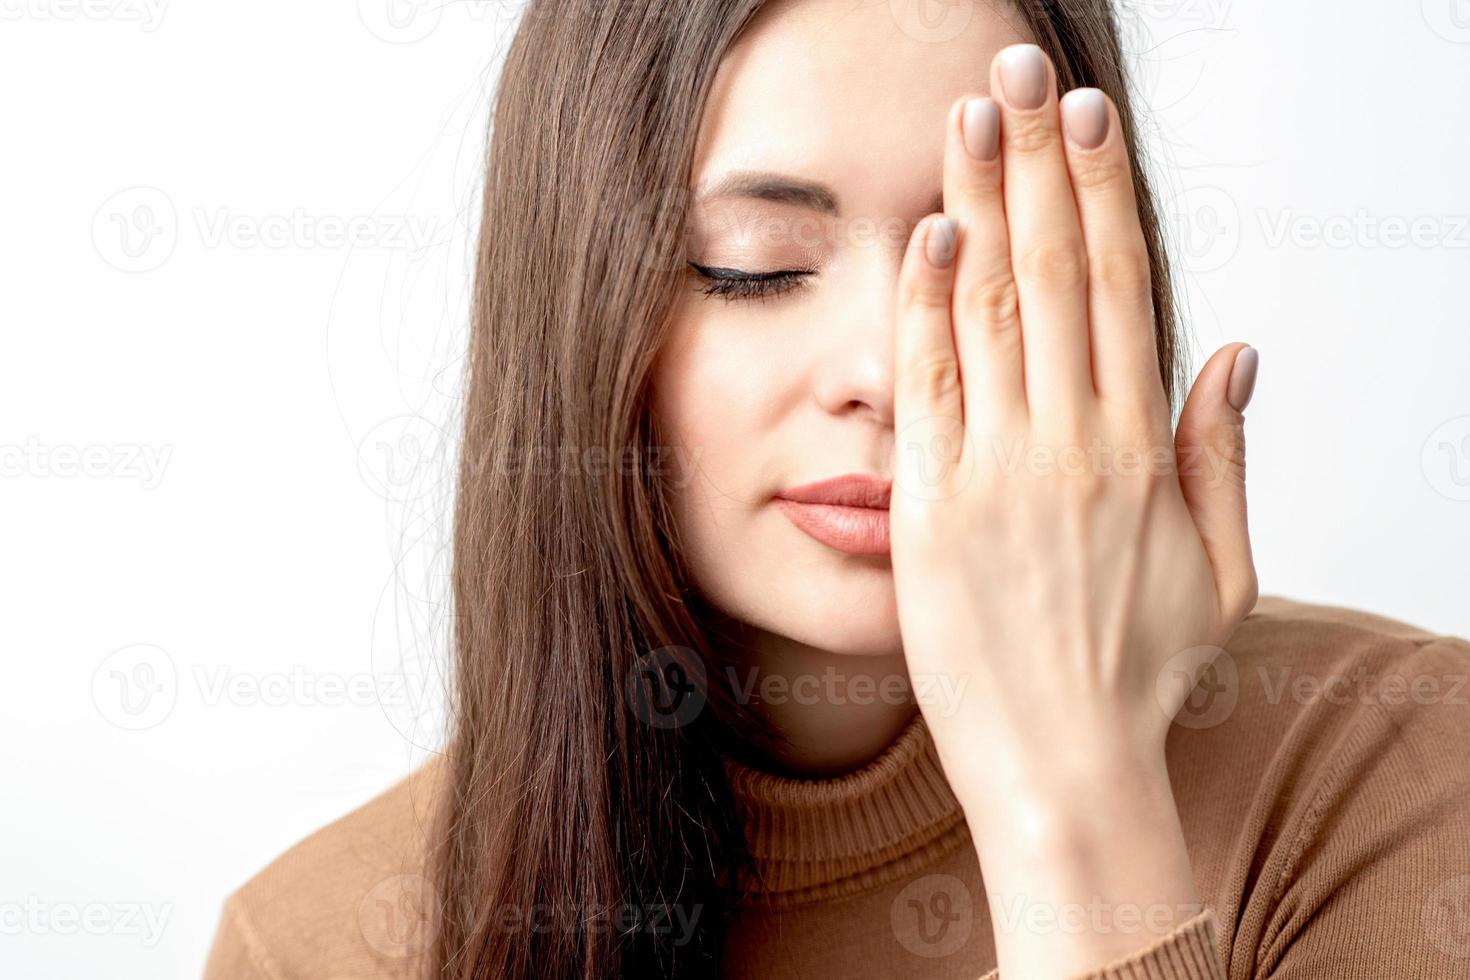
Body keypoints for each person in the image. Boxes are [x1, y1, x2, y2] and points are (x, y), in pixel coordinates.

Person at [203, 1, 1470, 977]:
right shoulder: (321, 940)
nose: (884, 370)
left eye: (978, 257)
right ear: (580, 314)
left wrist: (1076, 800)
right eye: (751, 267)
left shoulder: (1392, 764)